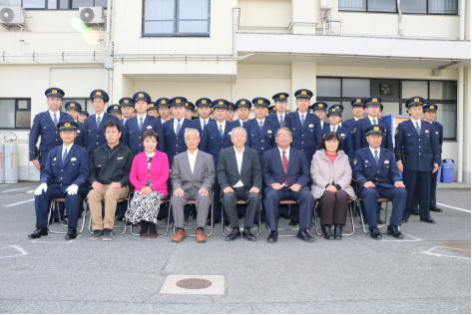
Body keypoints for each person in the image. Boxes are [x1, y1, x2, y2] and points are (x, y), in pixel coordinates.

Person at [28, 121, 89, 240]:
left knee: (73, 197)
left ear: (75, 134)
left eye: (70, 132)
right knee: (41, 194)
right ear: (59, 134)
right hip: (57, 186)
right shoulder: (53, 152)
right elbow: (47, 171)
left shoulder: (82, 152)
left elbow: (85, 172)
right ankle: (41, 228)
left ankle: (72, 229)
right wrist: (44, 182)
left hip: (74, 186)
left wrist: (77, 184)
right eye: (64, 132)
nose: (67, 135)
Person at [354, 125, 408, 239]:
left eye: (378, 137)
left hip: (384, 186)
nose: (376, 139)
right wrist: (364, 182)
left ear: (382, 139)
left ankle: (394, 226)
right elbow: (357, 172)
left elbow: (393, 172)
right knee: (370, 193)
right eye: (373, 136)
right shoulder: (360, 153)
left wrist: (397, 181)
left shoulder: (388, 153)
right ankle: (373, 227)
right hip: (368, 187)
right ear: (367, 138)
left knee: (401, 192)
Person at [262, 127, 315, 243]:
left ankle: (303, 230)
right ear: (276, 139)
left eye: (286, 135)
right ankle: (273, 231)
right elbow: (265, 173)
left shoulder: (300, 154)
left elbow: (305, 174)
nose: (283, 137)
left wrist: (299, 184)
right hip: (277, 188)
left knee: (308, 196)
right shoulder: (267, 155)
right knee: (270, 196)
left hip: (295, 187)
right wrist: (272, 183)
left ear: (291, 139)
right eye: (280, 135)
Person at [395, 96, 440, 224]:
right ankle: (405, 214)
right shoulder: (403, 126)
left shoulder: (429, 126)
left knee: (425, 190)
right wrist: (398, 160)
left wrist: (436, 161)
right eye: (415, 108)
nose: (418, 111)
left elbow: (435, 146)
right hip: (410, 164)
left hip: (426, 164)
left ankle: (425, 215)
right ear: (409, 111)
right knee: (409, 190)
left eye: (420, 108)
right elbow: (397, 146)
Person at [88, 120, 133, 241]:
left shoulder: (126, 151)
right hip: (102, 185)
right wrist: (93, 182)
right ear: (104, 134)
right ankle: (97, 228)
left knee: (111, 193)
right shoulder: (97, 151)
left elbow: (130, 173)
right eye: (108, 132)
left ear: (119, 134)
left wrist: (120, 183)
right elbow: (92, 171)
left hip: (120, 187)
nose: (111, 134)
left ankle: (108, 228)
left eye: (113, 132)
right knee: (92, 194)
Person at [170, 128, 215, 243]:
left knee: (204, 197)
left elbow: (210, 176)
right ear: (185, 141)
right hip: (184, 189)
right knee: (176, 197)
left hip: (201, 189)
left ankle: (200, 229)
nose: (191, 141)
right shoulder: (178, 158)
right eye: (188, 138)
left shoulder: (207, 157)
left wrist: (205, 187)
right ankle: (180, 230)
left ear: (199, 140)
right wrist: (177, 187)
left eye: (194, 138)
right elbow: (175, 176)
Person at [217, 127, 262, 241]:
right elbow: (221, 172)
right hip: (231, 188)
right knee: (227, 197)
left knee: (255, 197)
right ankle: (235, 228)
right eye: (236, 136)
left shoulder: (252, 153)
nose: (238, 138)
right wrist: (225, 186)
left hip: (248, 188)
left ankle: (247, 228)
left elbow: (257, 172)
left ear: (245, 139)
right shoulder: (224, 152)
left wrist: (256, 186)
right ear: (231, 139)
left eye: (241, 136)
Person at [311, 132, 355, 240]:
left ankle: (338, 227)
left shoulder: (344, 157)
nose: (331, 144)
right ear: (324, 142)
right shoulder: (317, 156)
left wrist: (339, 186)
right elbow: (314, 174)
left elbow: (348, 174)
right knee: (329, 196)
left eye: (334, 141)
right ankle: (326, 227)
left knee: (341, 196)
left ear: (338, 143)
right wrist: (326, 185)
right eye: (329, 141)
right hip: (322, 187)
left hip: (341, 187)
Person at [125, 130, 169, 238]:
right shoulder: (137, 158)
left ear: (157, 143)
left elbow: (165, 175)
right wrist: (141, 187)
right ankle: (145, 225)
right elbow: (132, 177)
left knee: (151, 197)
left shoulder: (163, 156)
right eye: (147, 141)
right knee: (142, 196)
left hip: (159, 189)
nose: (150, 144)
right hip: (141, 189)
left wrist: (152, 188)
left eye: (153, 141)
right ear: (142, 143)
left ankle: (150, 225)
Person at [29, 87, 74, 173]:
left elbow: (73, 137)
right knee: (46, 185)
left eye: (57, 99)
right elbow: (32, 137)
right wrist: (33, 157)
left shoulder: (68, 117)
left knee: (65, 185)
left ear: (61, 102)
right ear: (47, 101)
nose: (55, 102)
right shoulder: (40, 117)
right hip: (46, 159)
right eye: (52, 99)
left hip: (65, 159)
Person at [285, 89, 322, 165]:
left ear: (309, 103)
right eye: (300, 100)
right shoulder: (289, 117)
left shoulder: (315, 118)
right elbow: (286, 137)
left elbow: (319, 139)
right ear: (296, 102)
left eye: (306, 100)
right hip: (293, 155)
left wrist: (316, 154)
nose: (303, 103)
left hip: (310, 156)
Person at [423, 102, 444, 213]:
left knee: (432, 182)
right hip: (423, 158)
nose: (431, 115)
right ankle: (419, 205)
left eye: (433, 113)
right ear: (424, 113)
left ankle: (432, 204)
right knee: (421, 183)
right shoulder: (421, 124)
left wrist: (437, 159)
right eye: (429, 112)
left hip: (434, 159)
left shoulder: (438, 126)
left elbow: (439, 144)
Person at [162, 96, 193, 166]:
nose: (178, 111)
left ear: (185, 110)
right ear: (171, 110)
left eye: (181, 108)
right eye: (175, 108)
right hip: (170, 161)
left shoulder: (192, 124)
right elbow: (163, 144)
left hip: (187, 161)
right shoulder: (166, 125)